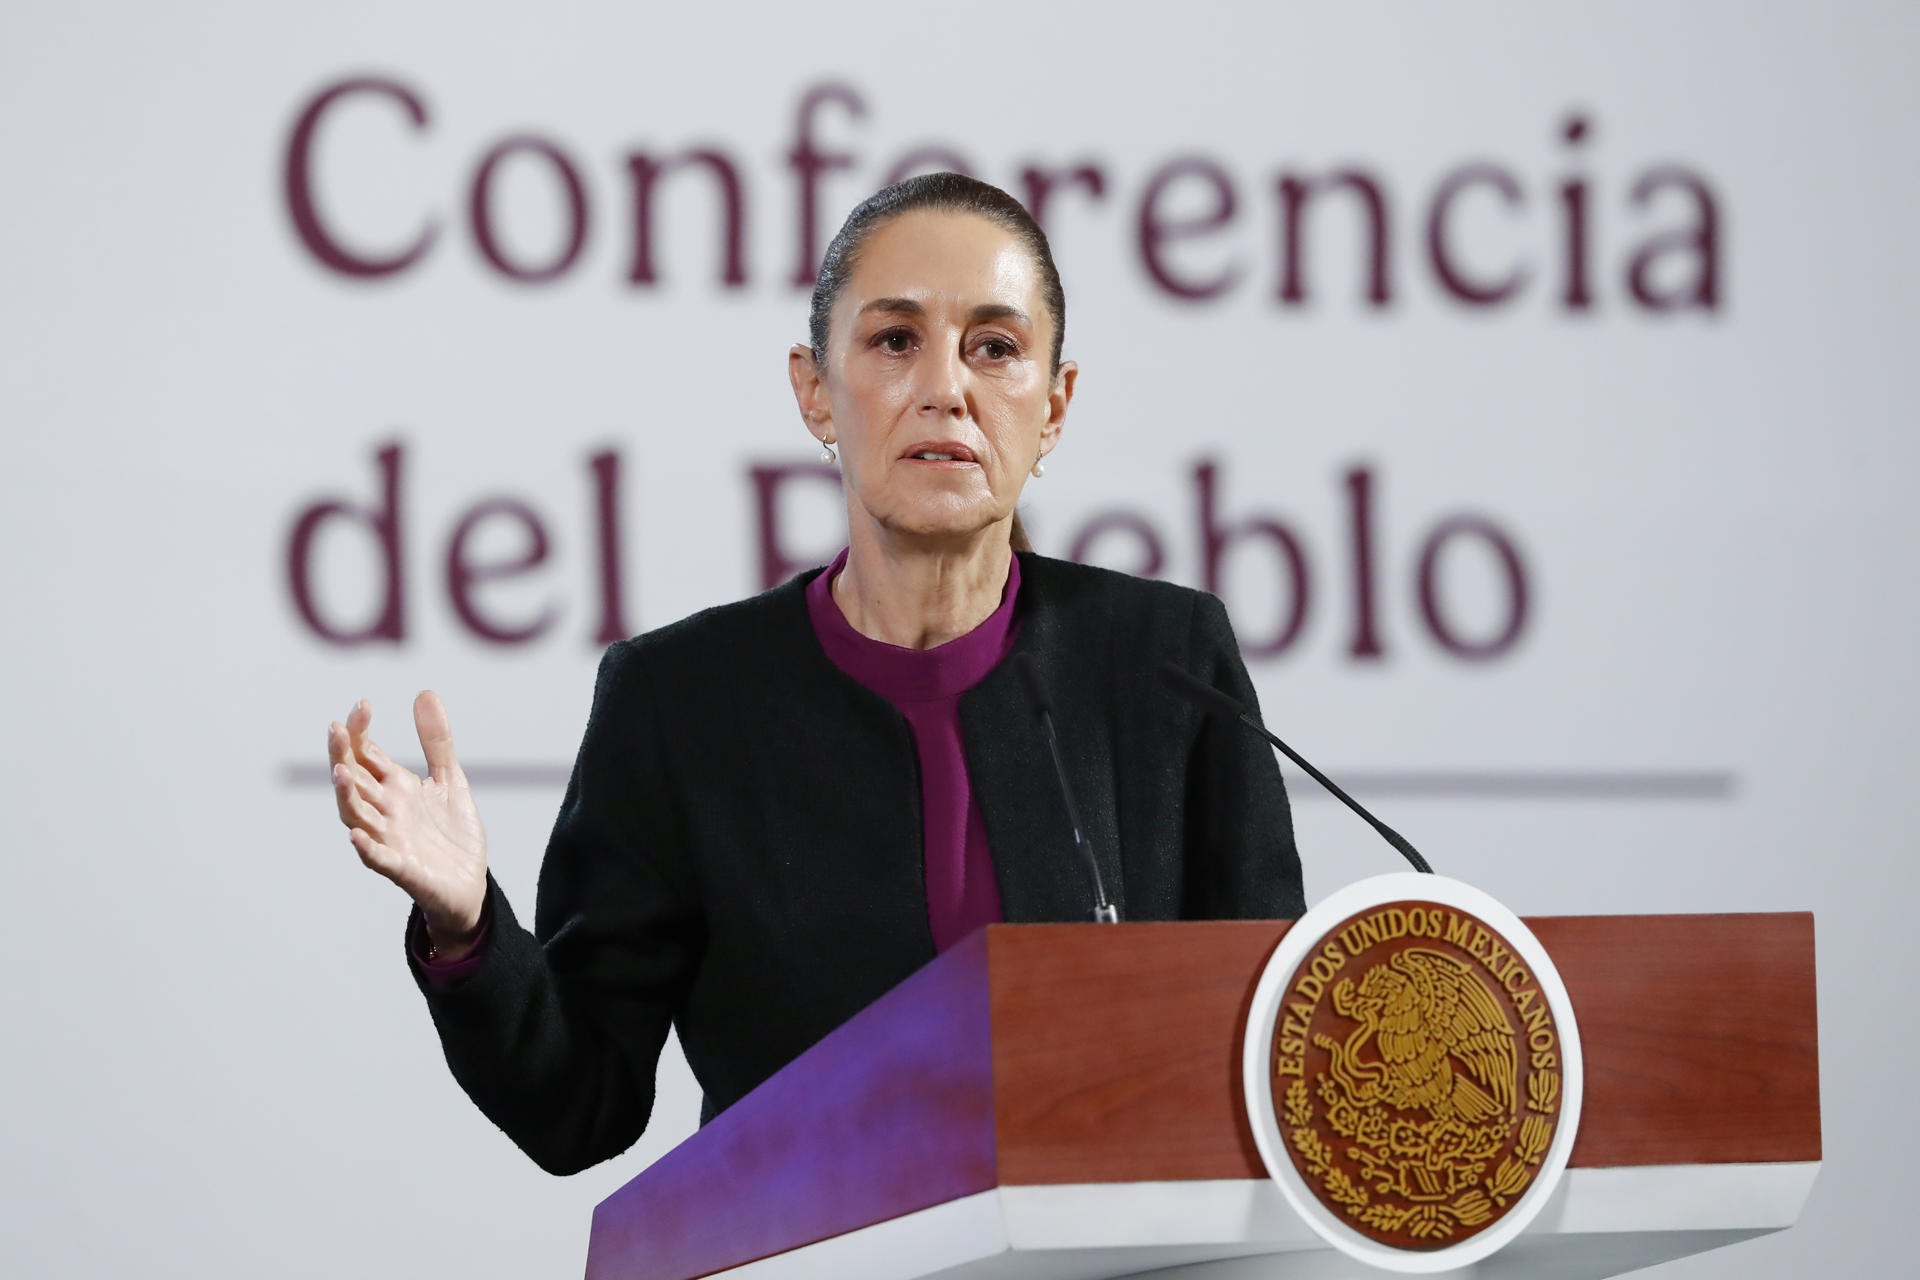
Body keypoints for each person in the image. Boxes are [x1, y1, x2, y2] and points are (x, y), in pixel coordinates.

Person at [325, 173, 1304, 1176]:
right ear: (813, 389)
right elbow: (582, 1104)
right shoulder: (682, 701)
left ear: (1053, 405)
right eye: (894, 341)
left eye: (996, 348)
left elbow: (1275, 1051)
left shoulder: (1166, 662)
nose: (946, 387)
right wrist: (467, 924)